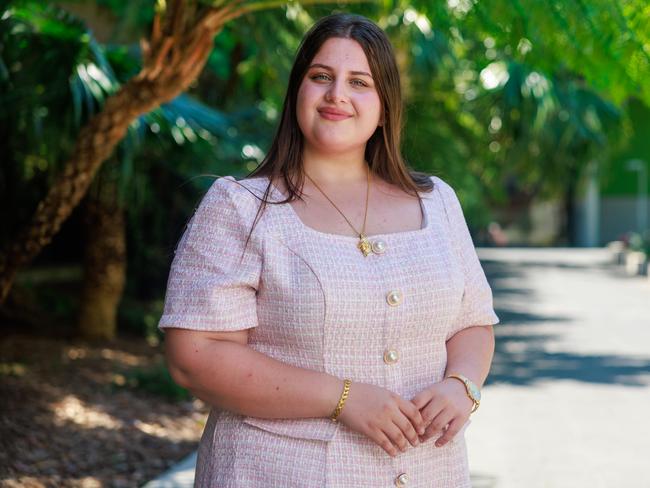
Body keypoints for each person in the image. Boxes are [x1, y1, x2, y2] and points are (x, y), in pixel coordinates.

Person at [158, 12, 499, 488]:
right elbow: (193, 356)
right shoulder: (241, 207)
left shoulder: (436, 201)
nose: (337, 94)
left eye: (359, 81)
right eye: (322, 77)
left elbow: (473, 322)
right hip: (274, 473)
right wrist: (343, 398)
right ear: (299, 90)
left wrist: (463, 385)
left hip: (429, 473)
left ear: (385, 104)